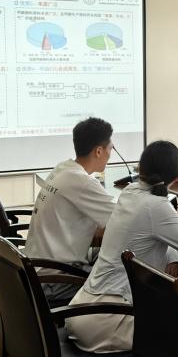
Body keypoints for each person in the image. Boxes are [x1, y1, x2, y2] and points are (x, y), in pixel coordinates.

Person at [66, 140, 178, 353]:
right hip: (107, 320)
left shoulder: (130, 191)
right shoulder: (156, 206)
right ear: (177, 176)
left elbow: (151, 234)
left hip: (80, 311)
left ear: (142, 168)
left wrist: (173, 255)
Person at [25, 117, 117, 304]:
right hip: (54, 280)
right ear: (99, 151)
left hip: (35, 269)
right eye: (111, 148)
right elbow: (124, 220)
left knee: (106, 254)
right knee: (121, 276)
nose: (111, 153)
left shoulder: (63, 168)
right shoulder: (82, 181)